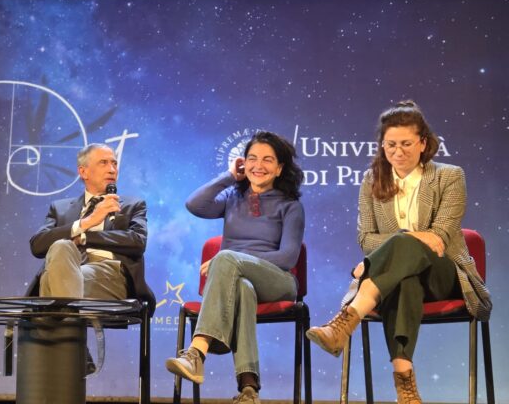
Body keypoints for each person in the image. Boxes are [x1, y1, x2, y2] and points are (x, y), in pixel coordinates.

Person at [306, 101, 492, 403]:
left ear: (423, 143)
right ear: (382, 145)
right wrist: (407, 239)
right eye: (391, 144)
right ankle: (406, 386)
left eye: (406, 143)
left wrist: (378, 259)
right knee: (404, 280)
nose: (398, 151)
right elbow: (366, 239)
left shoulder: (450, 176)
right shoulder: (372, 181)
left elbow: (440, 236)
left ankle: (347, 319)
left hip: (444, 274)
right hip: (398, 279)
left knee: (405, 245)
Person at [165, 131, 305, 404]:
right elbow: (194, 204)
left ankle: (197, 352)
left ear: (279, 168)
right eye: (252, 158)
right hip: (238, 281)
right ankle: (249, 389)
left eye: (267, 160)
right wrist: (229, 176)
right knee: (242, 288)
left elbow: (288, 257)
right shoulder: (233, 197)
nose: (258, 165)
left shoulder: (291, 206)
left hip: (278, 281)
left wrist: (232, 259)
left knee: (227, 259)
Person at [28, 142, 155, 311]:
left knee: (52, 285)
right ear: (83, 172)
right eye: (103, 163)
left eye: (114, 163)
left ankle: (56, 320)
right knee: (61, 247)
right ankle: (70, 323)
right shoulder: (60, 208)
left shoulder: (132, 205)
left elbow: (138, 242)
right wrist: (87, 222)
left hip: (109, 274)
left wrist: (84, 237)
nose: (112, 169)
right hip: (64, 269)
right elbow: (37, 245)